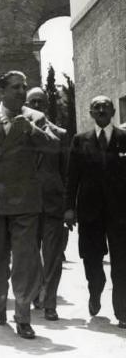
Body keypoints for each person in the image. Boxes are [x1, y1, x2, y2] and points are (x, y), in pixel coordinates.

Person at [0, 70, 59, 339]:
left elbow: (55, 147)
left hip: (25, 200)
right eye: (16, 87)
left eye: (24, 87)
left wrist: (31, 130)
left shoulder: (35, 118)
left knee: (25, 260)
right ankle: (0, 301)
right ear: (2, 90)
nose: (21, 91)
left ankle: (23, 315)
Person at [64, 96, 126, 329]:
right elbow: (72, 178)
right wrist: (69, 207)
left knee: (122, 262)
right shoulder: (80, 141)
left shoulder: (124, 138)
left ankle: (122, 311)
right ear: (90, 113)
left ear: (113, 111)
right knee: (91, 260)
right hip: (89, 212)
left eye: (106, 106)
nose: (101, 110)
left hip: (121, 214)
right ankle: (95, 291)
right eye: (96, 107)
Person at [25, 87, 69, 321]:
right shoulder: (21, 133)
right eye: (33, 102)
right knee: (30, 255)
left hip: (53, 204)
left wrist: (68, 205)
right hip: (27, 206)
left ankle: (50, 303)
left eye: (41, 102)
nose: (37, 106)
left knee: (52, 256)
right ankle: (35, 295)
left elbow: (67, 173)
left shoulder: (60, 134)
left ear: (47, 104)